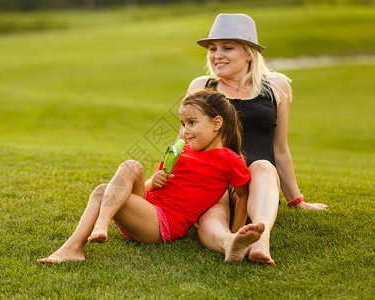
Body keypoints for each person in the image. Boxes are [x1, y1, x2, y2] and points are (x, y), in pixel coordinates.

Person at [38, 89, 266, 264]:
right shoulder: (181, 151)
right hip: (148, 209)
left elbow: (243, 196)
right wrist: (153, 181)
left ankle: (79, 243)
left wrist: (235, 234)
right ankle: (90, 233)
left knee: (102, 191)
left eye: (192, 123)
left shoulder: (230, 160)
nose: (185, 131)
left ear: (217, 123)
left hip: (164, 223)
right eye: (183, 123)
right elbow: (149, 189)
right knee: (130, 167)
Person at [183, 13, 328, 264]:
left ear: (249, 53)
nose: (217, 54)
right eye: (213, 48)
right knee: (213, 210)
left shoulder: (277, 87)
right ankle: (229, 243)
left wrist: (297, 200)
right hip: (215, 181)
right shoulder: (202, 86)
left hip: (259, 185)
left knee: (263, 166)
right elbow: (185, 142)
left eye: (228, 47)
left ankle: (261, 241)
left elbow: (280, 148)